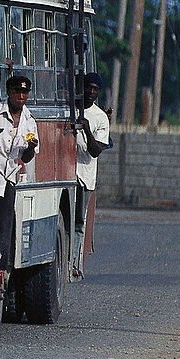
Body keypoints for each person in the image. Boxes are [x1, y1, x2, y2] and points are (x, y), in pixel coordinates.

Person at [0, 74, 39, 289]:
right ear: (9, 93)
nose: (20, 97)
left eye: (24, 93)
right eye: (17, 92)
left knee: (2, 227)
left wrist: (30, 147)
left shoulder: (29, 121)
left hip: (9, 179)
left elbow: (28, 156)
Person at [76, 72, 110, 248]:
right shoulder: (70, 109)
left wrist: (87, 130)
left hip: (84, 177)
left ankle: (75, 262)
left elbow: (96, 151)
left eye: (95, 89)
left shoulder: (100, 117)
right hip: (67, 173)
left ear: (99, 92)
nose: (91, 91)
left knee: (79, 223)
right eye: (88, 87)